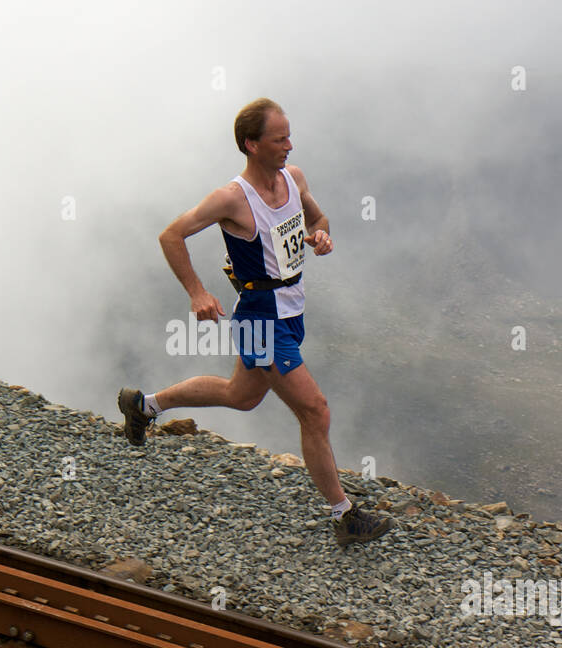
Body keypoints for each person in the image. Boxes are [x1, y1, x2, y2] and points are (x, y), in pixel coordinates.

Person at [119, 98, 393, 547]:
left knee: (241, 396)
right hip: (260, 318)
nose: (290, 144)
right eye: (279, 138)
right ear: (251, 144)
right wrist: (197, 293)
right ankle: (345, 516)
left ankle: (143, 405)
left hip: (292, 308)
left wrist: (320, 233)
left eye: (289, 135)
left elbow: (316, 216)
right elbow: (171, 235)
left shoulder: (293, 178)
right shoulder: (231, 198)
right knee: (315, 410)